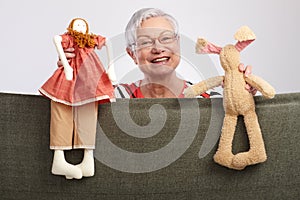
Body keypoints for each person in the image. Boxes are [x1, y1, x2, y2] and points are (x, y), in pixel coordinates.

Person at [61, 8, 256, 98]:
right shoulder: (115, 97)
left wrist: (248, 95)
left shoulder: (210, 100)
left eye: (166, 38)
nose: (158, 48)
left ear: (178, 43)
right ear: (132, 54)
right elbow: (68, 109)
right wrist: (68, 74)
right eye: (145, 42)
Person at [40, 18, 115, 179]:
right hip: (70, 77)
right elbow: (56, 39)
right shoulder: (70, 38)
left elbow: (107, 42)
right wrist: (66, 65)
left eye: (82, 25)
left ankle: (88, 159)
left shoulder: (90, 40)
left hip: (90, 79)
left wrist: (111, 67)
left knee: (88, 112)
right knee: (61, 107)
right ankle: (59, 159)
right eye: (77, 24)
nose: (80, 27)